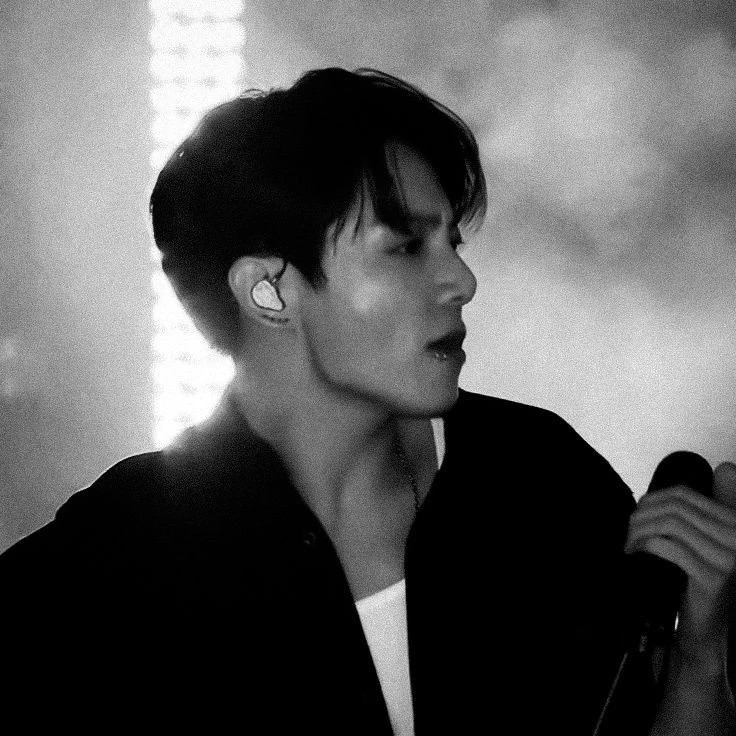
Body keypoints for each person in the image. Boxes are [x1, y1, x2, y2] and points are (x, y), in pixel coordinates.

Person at [1, 67, 735, 735]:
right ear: (268, 291)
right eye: (406, 247)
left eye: (453, 242)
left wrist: (700, 662)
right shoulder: (114, 565)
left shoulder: (539, 478)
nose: (462, 282)